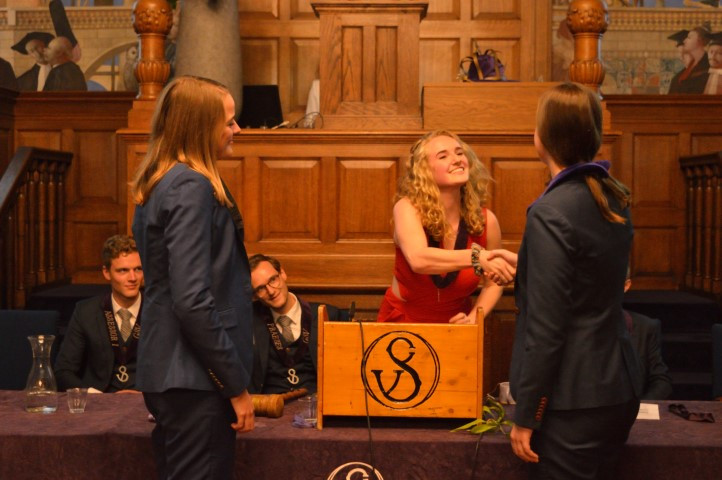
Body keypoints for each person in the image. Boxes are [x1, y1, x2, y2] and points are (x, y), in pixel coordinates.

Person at [505, 83, 641, 479]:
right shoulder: (612, 197)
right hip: (616, 385)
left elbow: (548, 326)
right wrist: (529, 264)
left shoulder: (550, 211)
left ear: (542, 137)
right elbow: (590, 275)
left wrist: (528, 414)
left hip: (572, 399)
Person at [130, 75, 253, 479]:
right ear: (201, 127)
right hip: (194, 376)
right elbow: (192, 301)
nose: (237, 129)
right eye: (229, 122)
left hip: (175, 370)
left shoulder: (163, 180)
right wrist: (234, 385)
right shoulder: (190, 185)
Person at [376, 130, 515, 324]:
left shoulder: (486, 220)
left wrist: (473, 320)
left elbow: (493, 283)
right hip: (403, 323)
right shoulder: (407, 208)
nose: (457, 160)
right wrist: (477, 257)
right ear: (424, 170)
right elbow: (419, 259)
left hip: (457, 324)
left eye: (459, 153)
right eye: (443, 156)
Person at [55, 235, 144, 393]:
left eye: (138, 269)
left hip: (147, 401)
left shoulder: (159, 311)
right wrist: (96, 397)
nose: (133, 278)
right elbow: (63, 371)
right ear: (106, 272)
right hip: (99, 401)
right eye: (123, 270)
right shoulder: (85, 311)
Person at [248, 253, 345, 395]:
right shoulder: (249, 321)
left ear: (282, 273)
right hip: (271, 405)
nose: (271, 291)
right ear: (255, 295)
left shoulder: (329, 315)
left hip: (316, 403)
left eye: (273, 280)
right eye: (261, 288)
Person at [624, 272, 673, 400]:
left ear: (626, 286)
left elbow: (661, 381)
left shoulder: (645, 327)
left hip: (631, 407)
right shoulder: (576, 326)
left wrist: (642, 407)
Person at [668, 26, 711, 94]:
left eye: (689, 37)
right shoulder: (684, 72)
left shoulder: (709, 65)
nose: (684, 41)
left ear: (699, 40)